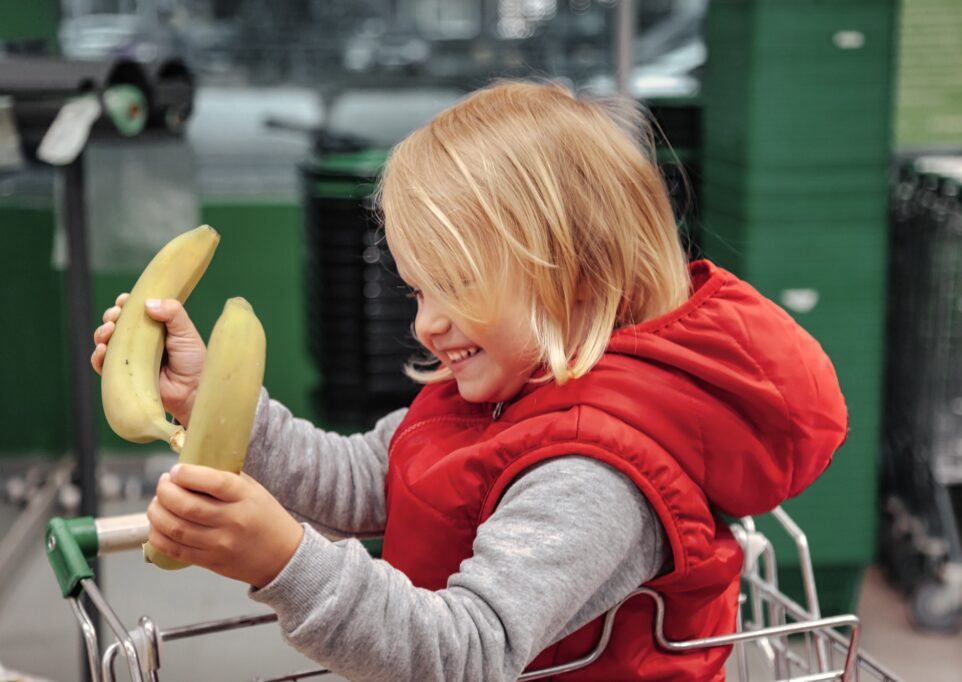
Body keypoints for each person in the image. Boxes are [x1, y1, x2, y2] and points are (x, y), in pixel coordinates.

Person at [91, 80, 847, 681]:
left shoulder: (592, 478)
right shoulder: (499, 395)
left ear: (577, 279)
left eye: (455, 285)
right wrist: (212, 406)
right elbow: (362, 478)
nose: (426, 325)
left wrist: (285, 562)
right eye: (419, 292)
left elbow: (467, 654)